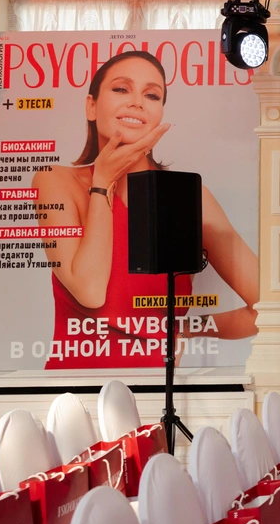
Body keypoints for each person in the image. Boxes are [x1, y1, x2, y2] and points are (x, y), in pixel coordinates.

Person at [32, 50, 259, 369]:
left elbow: (269, 308)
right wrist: (103, 182)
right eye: (121, 89)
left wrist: (185, 328)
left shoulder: (189, 197)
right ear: (91, 106)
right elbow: (90, 292)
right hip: (75, 389)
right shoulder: (55, 181)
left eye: (151, 95)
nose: (137, 102)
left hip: (157, 387)